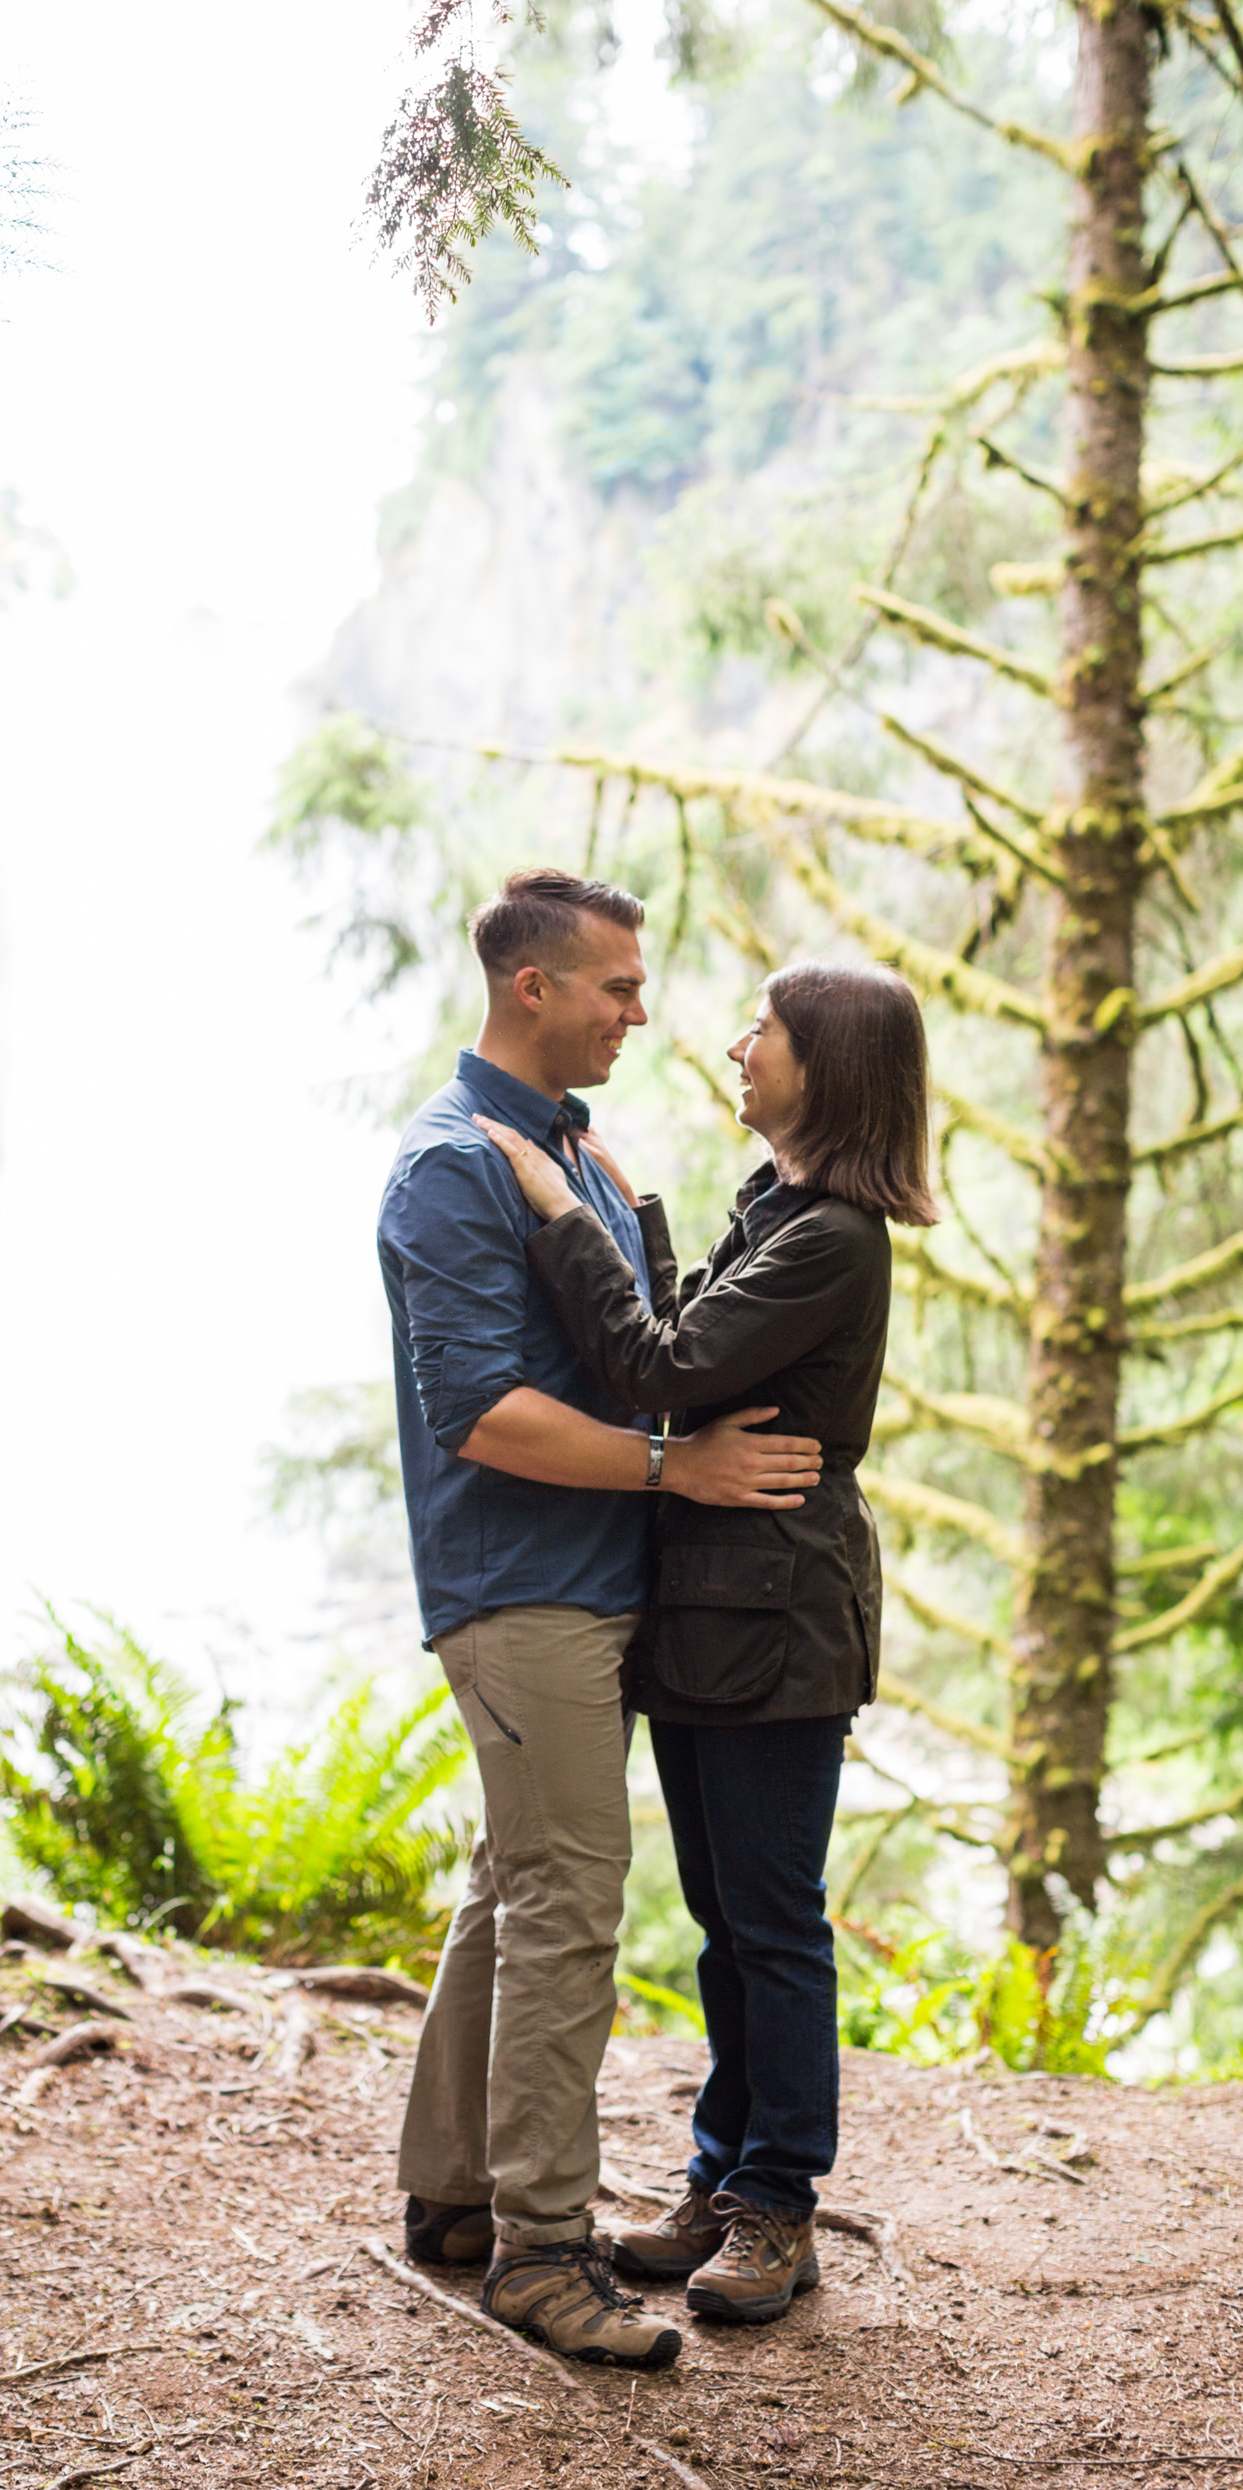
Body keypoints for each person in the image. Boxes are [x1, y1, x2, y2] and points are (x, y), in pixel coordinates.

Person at [377, 867, 823, 2372]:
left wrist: (624, 1198)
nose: (644, 1012)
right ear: (533, 989)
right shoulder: (453, 1168)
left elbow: (647, 1340)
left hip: (591, 1586)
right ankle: (544, 2253)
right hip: (522, 1588)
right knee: (572, 1899)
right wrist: (673, 1467)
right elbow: (484, 1415)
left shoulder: (561, 1147)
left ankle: (453, 2191)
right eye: (620, 986)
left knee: (516, 1882)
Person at [476, 958, 936, 2326]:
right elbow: (691, 1341)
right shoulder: (782, 1208)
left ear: (825, 1067)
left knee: (774, 1923)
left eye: (766, 1033)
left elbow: (659, 1370)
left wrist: (562, 1208)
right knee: (727, 1921)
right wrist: (641, 1206)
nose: (739, 1047)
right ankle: (720, 2177)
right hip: (717, 1613)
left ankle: (779, 2201)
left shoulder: (836, 1236)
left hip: (776, 1619)